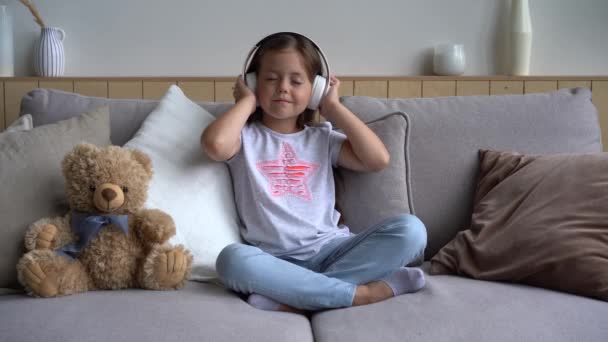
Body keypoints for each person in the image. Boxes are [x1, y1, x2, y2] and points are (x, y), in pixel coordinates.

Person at [201, 32, 427, 313]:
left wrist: (332, 107)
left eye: (296, 81)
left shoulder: (322, 138)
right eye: (271, 79)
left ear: (315, 91)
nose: (283, 88)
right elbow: (214, 144)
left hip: (334, 251)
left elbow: (377, 159)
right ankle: (360, 295)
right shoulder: (244, 138)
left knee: (412, 230)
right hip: (274, 262)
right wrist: (245, 102)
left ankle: (295, 299)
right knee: (231, 259)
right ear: (252, 82)